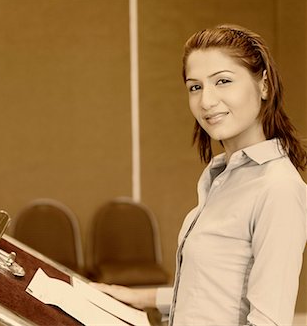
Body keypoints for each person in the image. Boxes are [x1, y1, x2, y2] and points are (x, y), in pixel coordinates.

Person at [92, 24, 307, 326]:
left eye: (223, 81)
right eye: (196, 87)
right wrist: (144, 298)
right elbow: (218, 288)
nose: (206, 101)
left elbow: (269, 321)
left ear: (264, 85)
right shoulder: (221, 175)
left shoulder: (277, 187)